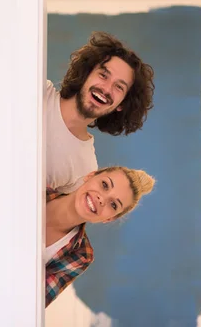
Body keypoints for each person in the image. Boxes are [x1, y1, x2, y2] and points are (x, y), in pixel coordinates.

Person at [46, 32, 155, 193]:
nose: (106, 89)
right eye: (103, 75)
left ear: (122, 104)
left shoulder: (85, 169)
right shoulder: (37, 91)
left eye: (119, 87)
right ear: (86, 73)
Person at [44, 165, 155, 307]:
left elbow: (34, 302)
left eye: (113, 205)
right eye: (105, 185)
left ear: (109, 218)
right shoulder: (32, 185)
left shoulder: (81, 256)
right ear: (90, 176)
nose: (102, 199)